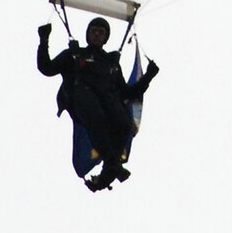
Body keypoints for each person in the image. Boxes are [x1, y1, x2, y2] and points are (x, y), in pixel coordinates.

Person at [35, 18, 159, 191]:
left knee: (124, 124)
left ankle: (107, 174)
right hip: (83, 100)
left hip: (107, 103)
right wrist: (44, 40)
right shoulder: (74, 55)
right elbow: (46, 68)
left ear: (106, 38)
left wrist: (148, 76)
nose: (97, 34)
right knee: (97, 115)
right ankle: (112, 164)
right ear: (88, 34)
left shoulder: (111, 64)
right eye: (94, 31)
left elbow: (128, 93)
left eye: (101, 32)